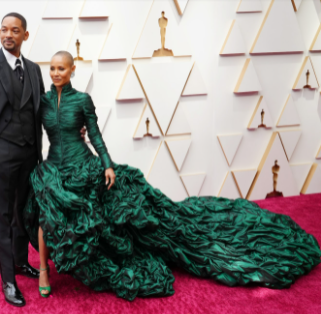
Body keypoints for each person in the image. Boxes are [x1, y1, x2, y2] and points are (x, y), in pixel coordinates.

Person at [23, 51, 321, 301]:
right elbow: (36, 135)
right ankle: (45, 272)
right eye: (52, 68)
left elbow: (96, 135)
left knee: (120, 219)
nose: (56, 72)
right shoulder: (44, 102)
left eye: (61, 68)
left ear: (73, 70)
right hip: (55, 169)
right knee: (46, 216)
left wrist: (108, 165)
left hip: (85, 166)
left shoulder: (83, 100)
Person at [0, 13, 86, 307]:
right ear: (0, 33)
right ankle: (8, 279)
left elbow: (40, 110)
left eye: (15, 30)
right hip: (0, 152)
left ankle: (20, 262)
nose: (8, 34)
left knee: (24, 213)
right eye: (4, 29)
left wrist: (72, 125)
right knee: (3, 217)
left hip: (30, 153)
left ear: (25, 36)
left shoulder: (33, 69)